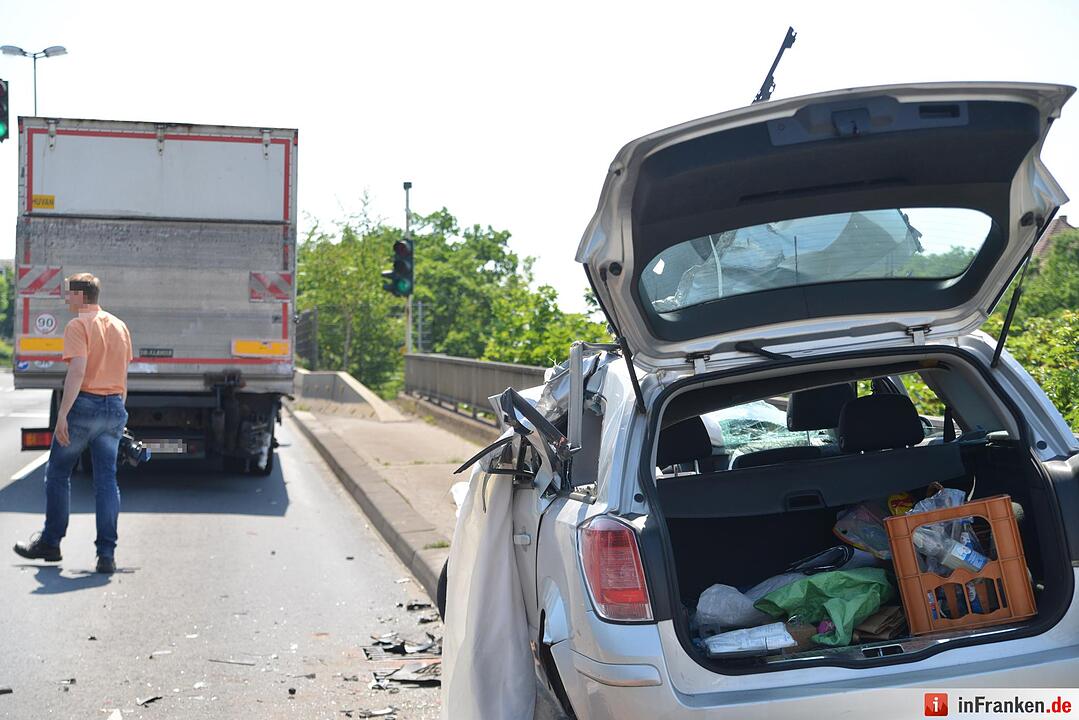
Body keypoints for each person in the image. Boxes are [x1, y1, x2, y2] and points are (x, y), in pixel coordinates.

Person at [13, 273, 133, 574]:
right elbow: (124, 375)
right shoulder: (119, 326)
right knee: (107, 481)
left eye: (69, 294)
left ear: (80, 296)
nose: (66, 299)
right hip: (114, 405)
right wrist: (119, 410)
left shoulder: (78, 325)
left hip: (85, 406)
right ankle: (106, 554)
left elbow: (77, 371)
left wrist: (63, 414)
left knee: (57, 473)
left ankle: (51, 542)